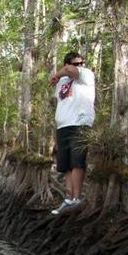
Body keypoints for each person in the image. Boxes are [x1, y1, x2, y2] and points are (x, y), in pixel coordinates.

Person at [49, 51, 95, 215]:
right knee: (65, 165)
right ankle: (68, 199)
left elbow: (69, 71)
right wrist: (59, 76)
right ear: (67, 63)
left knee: (77, 162)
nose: (80, 66)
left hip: (80, 123)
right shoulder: (62, 81)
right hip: (63, 125)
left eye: (82, 63)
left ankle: (76, 198)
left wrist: (58, 74)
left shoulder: (86, 75)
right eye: (76, 64)